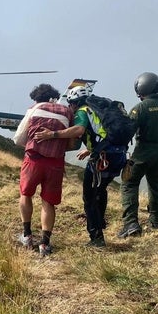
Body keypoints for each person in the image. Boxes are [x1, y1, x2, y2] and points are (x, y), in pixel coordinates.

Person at [34, 85, 127, 247]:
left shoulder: (83, 111)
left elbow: (79, 129)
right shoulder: (98, 109)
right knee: (100, 189)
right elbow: (102, 133)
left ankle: (96, 237)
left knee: (89, 197)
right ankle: (100, 222)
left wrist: (52, 134)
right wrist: (90, 149)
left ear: (74, 102)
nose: (70, 108)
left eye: (70, 104)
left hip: (102, 158)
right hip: (118, 155)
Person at [117, 72, 158, 238]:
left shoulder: (139, 108)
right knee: (156, 184)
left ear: (140, 88)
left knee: (128, 182)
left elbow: (127, 132)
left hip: (143, 151)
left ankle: (131, 224)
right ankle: (155, 221)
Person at [12, 84, 74, 256]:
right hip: (55, 162)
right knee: (48, 202)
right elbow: (72, 142)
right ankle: (45, 244)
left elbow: (18, 138)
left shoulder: (35, 108)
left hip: (33, 159)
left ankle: (27, 235)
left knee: (26, 194)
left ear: (38, 98)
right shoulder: (67, 111)